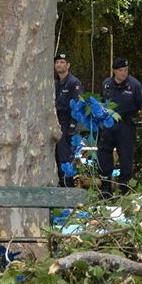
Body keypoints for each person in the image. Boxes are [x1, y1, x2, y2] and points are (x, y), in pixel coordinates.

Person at [97, 57, 142, 197]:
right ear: (114, 71)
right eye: (121, 70)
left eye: (126, 70)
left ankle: (123, 191)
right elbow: (100, 104)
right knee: (104, 158)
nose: (124, 73)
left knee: (126, 160)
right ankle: (106, 190)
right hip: (108, 126)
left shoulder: (134, 85)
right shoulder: (106, 84)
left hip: (126, 126)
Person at [54, 53, 83, 188]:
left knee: (65, 158)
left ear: (68, 65)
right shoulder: (55, 82)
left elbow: (78, 105)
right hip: (56, 121)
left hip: (68, 123)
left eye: (62, 62)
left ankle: (67, 187)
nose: (59, 65)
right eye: (57, 62)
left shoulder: (73, 83)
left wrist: (73, 125)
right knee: (55, 157)